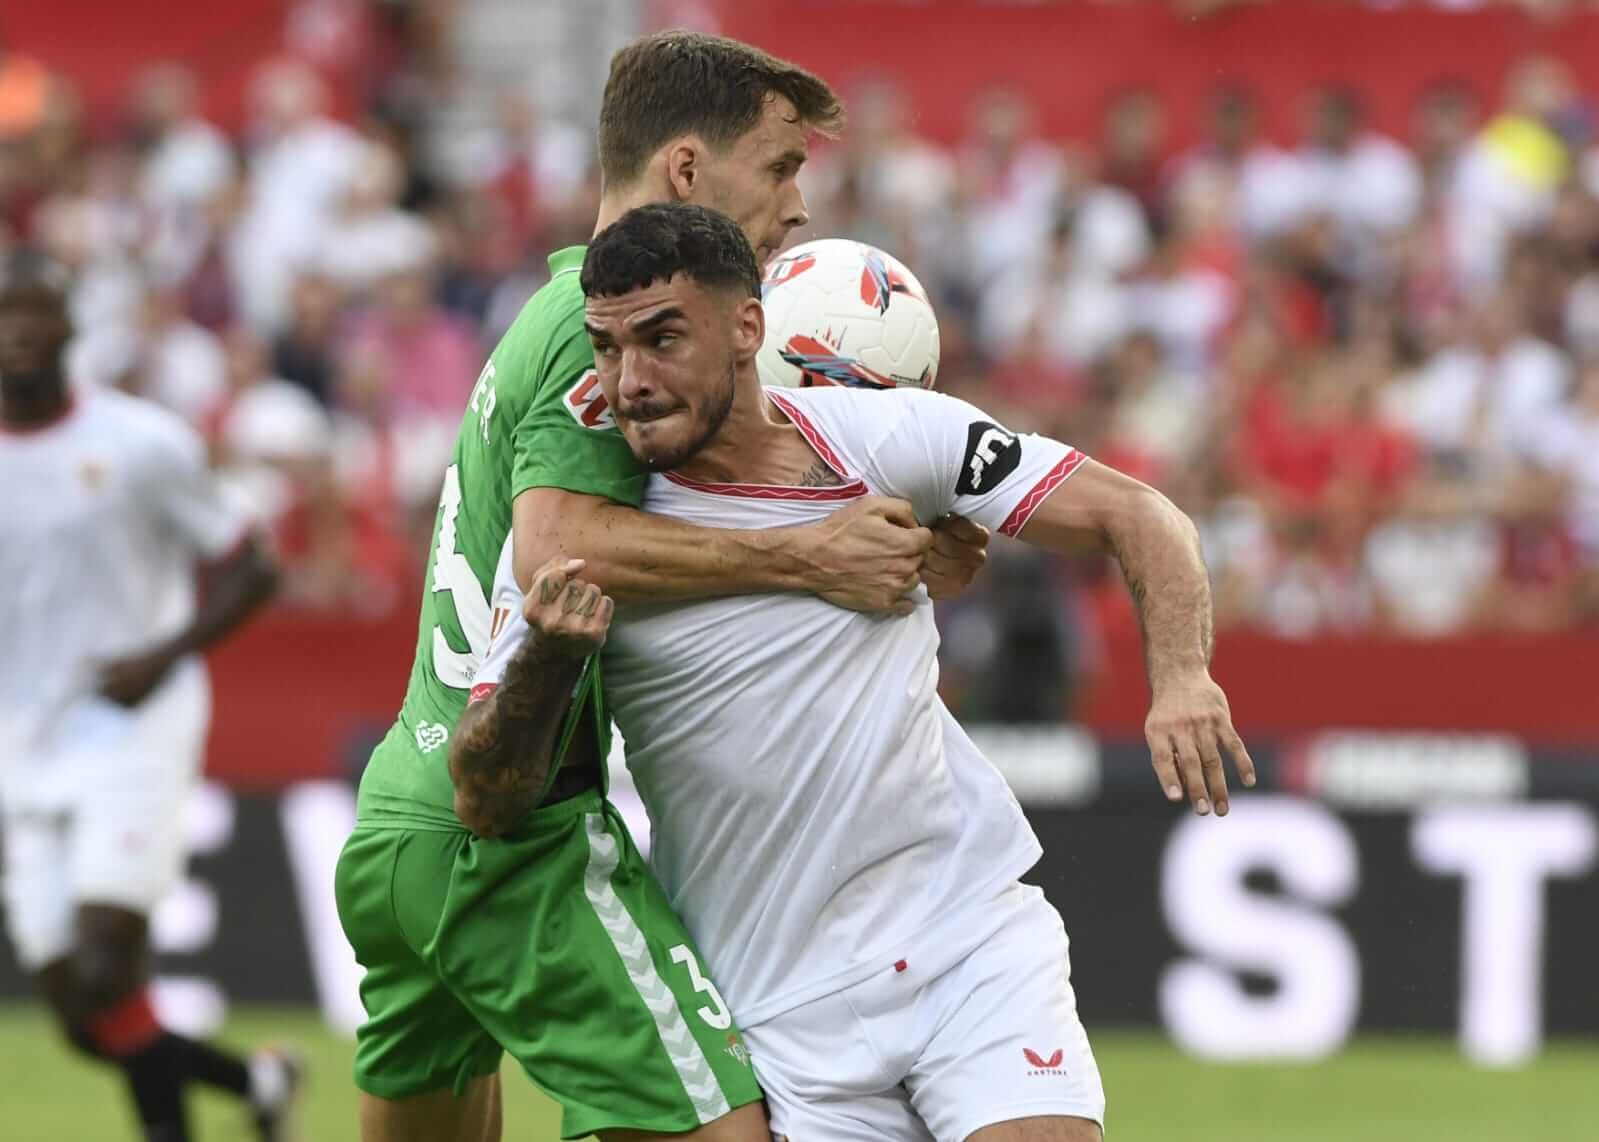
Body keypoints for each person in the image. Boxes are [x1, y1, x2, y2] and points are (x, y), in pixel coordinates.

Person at [465, 203, 1257, 1142]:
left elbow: (1139, 514)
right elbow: (482, 795)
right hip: (772, 998)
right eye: (606, 349)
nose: (630, 380)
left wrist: (1182, 678)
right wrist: (548, 662)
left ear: (749, 329)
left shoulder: (879, 440)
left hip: (964, 939)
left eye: (663, 338)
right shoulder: (583, 539)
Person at [333, 31, 986, 1142]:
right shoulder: (610, 346)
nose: (797, 207)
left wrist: (883, 542)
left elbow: (664, 536)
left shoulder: (553, 315)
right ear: (687, 169)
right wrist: (810, 552)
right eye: (781, 167)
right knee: (725, 1128)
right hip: (507, 828)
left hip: (407, 812)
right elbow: (558, 551)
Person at [0, 254, 295, 1141]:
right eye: (3, 313)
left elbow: (255, 564)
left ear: (68, 328)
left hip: (134, 725)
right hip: (27, 740)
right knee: (81, 1015)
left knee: (101, 963)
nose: (17, 329)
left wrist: (164, 656)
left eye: (35, 311)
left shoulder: (138, 444)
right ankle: (257, 1083)